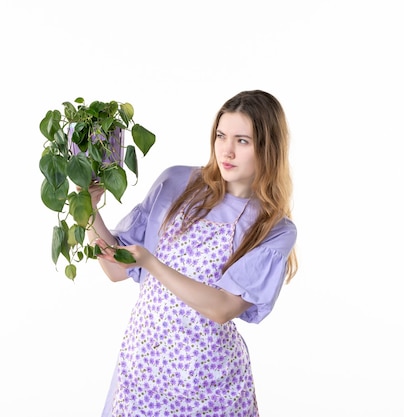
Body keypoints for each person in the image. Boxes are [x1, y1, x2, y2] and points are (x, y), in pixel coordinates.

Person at [88, 90, 298, 416]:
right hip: (145, 371)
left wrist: (151, 263)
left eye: (242, 140)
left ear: (268, 147)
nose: (226, 150)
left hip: (211, 383)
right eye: (221, 135)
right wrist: (86, 208)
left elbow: (222, 308)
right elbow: (116, 269)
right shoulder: (176, 183)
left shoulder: (274, 228)